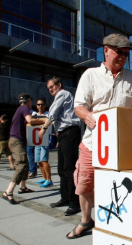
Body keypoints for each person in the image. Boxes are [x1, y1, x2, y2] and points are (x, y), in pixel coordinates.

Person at [67, 33, 132, 239]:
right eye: (119, 52)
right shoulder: (90, 75)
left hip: (122, 146)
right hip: (92, 143)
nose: (123, 56)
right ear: (106, 50)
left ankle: (117, 221)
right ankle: (86, 221)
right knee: (84, 185)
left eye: (126, 53)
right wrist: (89, 117)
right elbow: (78, 106)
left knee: (120, 185)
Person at [38, 77, 81, 215]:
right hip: (63, 135)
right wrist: (58, 135)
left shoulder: (63, 94)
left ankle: (75, 203)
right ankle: (65, 198)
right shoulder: (59, 96)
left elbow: (53, 114)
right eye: (49, 88)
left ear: (59, 84)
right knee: (62, 169)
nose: (50, 89)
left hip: (70, 132)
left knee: (69, 168)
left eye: (52, 86)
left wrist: (44, 129)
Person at [1, 93, 44, 204]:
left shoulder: (19, 109)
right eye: (31, 101)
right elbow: (30, 120)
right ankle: (8, 192)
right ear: (28, 100)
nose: (32, 104)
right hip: (16, 141)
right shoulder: (24, 108)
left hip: (17, 140)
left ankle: (23, 187)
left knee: (26, 164)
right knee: (22, 165)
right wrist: (45, 121)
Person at [31, 98, 53, 188]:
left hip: (45, 139)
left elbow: (48, 123)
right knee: (39, 161)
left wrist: (38, 121)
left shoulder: (48, 114)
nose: (40, 106)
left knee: (44, 160)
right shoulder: (34, 114)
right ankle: (44, 178)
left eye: (42, 104)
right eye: (38, 104)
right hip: (36, 139)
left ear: (45, 105)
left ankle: (49, 180)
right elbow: (30, 123)